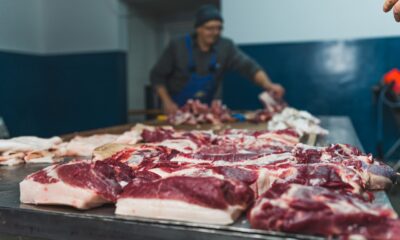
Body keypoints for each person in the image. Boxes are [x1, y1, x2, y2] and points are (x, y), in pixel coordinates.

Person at [150, 5, 285, 114]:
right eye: (210, 28)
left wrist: (268, 85)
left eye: (219, 28)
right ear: (198, 28)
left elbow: (249, 67)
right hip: (176, 110)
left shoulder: (225, 47)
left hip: (208, 112)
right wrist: (166, 102)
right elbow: (157, 76)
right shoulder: (177, 46)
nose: (215, 33)